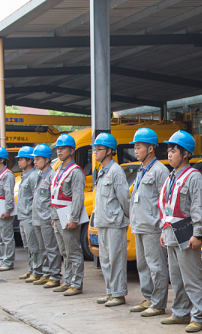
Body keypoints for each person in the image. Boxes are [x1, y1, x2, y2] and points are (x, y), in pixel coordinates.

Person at [158, 130, 202, 333]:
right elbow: (167, 207)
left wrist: (198, 234)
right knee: (176, 278)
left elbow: (199, 208)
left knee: (192, 277)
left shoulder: (193, 177)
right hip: (171, 233)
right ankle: (180, 313)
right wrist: (164, 231)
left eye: (174, 150)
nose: (169, 154)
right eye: (169, 150)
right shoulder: (171, 176)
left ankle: (198, 317)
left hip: (187, 235)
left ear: (186, 154)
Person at [128, 128, 170, 317]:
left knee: (156, 266)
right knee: (143, 265)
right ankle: (148, 297)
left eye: (139, 147)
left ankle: (158, 303)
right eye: (135, 147)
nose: (135, 151)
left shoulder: (160, 171)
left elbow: (166, 201)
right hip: (140, 225)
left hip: (153, 227)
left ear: (150, 148)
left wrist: (163, 227)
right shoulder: (142, 169)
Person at [92, 133, 130, 307]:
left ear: (109, 151)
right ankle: (110, 292)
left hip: (115, 223)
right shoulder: (102, 171)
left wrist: (126, 217)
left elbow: (124, 198)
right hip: (103, 222)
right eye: (95, 148)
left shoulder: (116, 171)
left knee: (116, 260)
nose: (95, 151)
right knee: (105, 260)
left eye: (98, 148)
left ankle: (119, 294)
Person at [49, 134, 86, 296]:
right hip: (57, 215)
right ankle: (68, 281)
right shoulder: (59, 170)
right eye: (58, 148)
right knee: (64, 251)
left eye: (63, 148)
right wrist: (53, 217)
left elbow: (78, 197)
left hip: (68, 215)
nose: (59, 151)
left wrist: (74, 218)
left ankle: (76, 284)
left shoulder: (75, 172)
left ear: (71, 150)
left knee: (73, 251)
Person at [30, 144, 63, 287]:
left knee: (51, 248)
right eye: (34, 159)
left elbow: (53, 199)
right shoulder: (39, 176)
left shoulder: (52, 176)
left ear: (47, 160)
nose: (35, 162)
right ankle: (46, 272)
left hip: (47, 218)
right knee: (42, 248)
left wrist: (52, 217)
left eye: (38, 159)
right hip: (37, 217)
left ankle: (55, 275)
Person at [15, 146, 43, 281]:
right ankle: (31, 268)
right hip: (22, 215)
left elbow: (35, 197)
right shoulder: (25, 176)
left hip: (29, 216)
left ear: (29, 161)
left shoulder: (33, 176)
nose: (19, 162)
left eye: (21, 159)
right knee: (27, 245)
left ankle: (37, 271)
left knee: (33, 245)